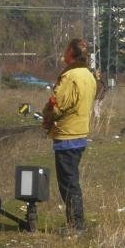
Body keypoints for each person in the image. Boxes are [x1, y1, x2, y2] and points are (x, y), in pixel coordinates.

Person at [41, 38, 96, 233]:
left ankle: (76, 224)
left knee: (69, 183)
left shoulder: (70, 76)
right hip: (80, 133)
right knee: (71, 180)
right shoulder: (88, 75)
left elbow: (58, 105)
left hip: (67, 136)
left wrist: (47, 115)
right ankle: (75, 222)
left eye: (65, 50)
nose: (63, 53)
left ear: (71, 53)